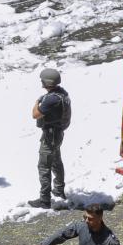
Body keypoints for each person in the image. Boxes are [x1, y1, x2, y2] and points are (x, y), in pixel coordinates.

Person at [29, 67, 72, 208]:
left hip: (50, 136)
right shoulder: (61, 93)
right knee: (56, 162)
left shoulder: (51, 99)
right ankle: (59, 190)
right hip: (57, 134)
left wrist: (36, 103)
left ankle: (44, 200)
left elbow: (35, 114)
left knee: (44, 166)